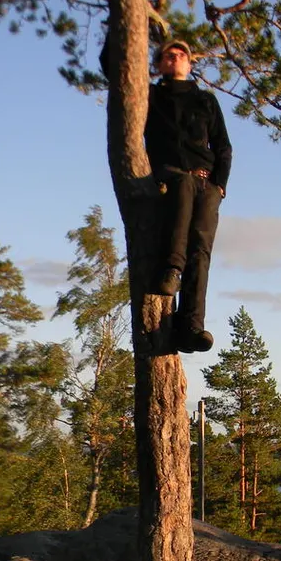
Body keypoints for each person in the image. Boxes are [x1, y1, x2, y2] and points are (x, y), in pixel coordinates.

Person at [100, 36, 233, 353]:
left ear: (189, 63)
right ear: (158, 65)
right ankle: (172, 269)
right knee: (183, 195)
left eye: (181, 55)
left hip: (207, 182)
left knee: (201, 251)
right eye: (167, 55)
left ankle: (191, 326)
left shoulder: (206, 101)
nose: (175, 58)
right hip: (171, 176)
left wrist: (220, 185)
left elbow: (223, 146)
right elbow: (113, 72)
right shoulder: (150, 96)